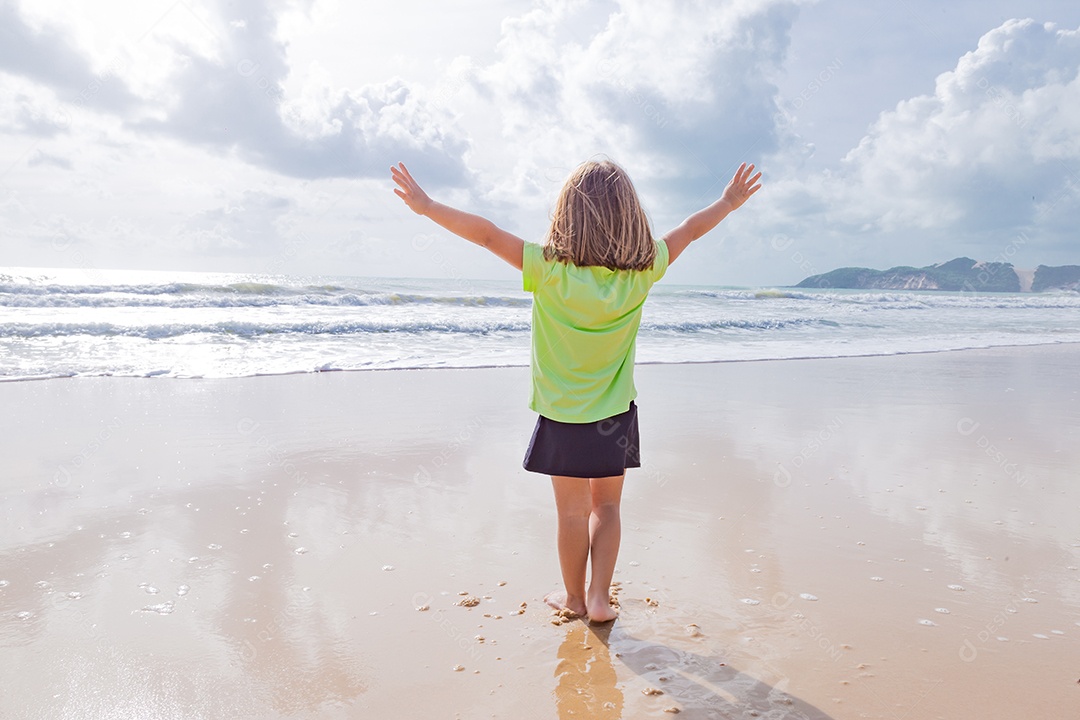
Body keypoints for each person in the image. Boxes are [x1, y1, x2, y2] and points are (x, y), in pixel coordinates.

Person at [391, 158, 761, 622]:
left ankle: (574, 599)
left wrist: (426, 207)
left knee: (570, 513)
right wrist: (728, 202)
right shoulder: (642, 272)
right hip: (615, 415)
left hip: (562, 414)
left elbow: (485, 234)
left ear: (567, 216)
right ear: (631, 217)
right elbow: (689, 230)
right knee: (606, 506)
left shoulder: (546, 268)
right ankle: (601, 598)